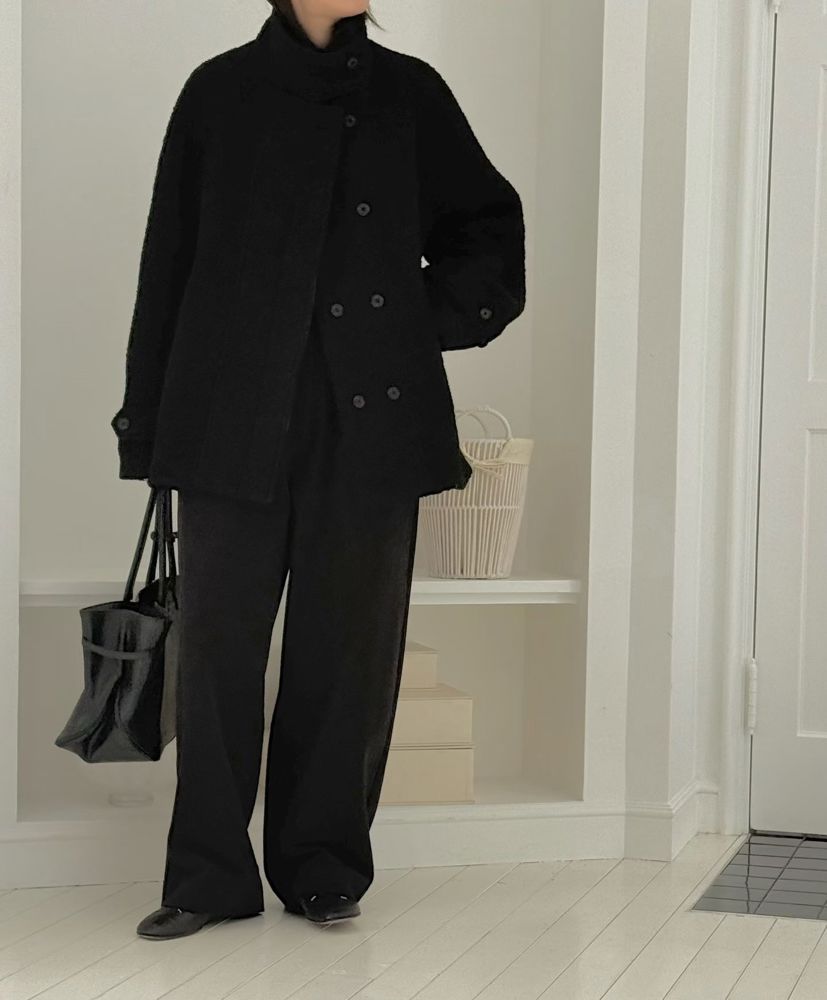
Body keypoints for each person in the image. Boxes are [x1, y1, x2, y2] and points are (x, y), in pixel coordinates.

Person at [113, 0, 526, 940]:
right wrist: (148, 426)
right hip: (228, 421)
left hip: (369, 423)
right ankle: (208, 878)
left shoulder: (409, 94)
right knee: (217, 660)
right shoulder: (219, 93)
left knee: (348, 659)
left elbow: (487, 225)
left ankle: (322, 868)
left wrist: (414, 322)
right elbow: (167, 262)